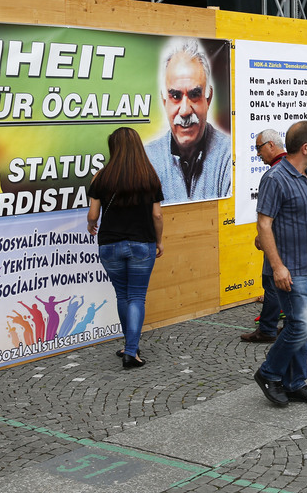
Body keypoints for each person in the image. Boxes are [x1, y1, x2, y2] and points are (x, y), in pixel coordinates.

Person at [253, 121, 307, 407]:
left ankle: (295, 383)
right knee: (300, 326)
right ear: (305, 147)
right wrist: (277, 267)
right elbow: (264, 223)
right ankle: (269, 372)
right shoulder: (275, 178)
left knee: (303, 327)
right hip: (290, 268)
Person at [87, 127, 165, 368]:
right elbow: (157, 215)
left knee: (122, 295)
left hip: (110, 245)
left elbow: (93, 214)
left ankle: (129, 345)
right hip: (142, 244)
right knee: (137, 297)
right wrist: (159, 241)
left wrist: (92, 225)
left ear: (114, 148)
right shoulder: (149, 176)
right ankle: (132, 350)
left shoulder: (101, 177)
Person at [145, 39, 232, 202]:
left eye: (194, 95)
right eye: (176, 96)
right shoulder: (146, 159)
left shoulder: (229, 155)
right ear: (165, 102)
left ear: (209, 98)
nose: (185, 111)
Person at [241, 129, 288, 343]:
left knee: (271, 281)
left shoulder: (273, 175)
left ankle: (268, 328)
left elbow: (267, 215)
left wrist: (262, 233)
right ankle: (289, 325)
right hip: (291, 240)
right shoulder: (295, 168)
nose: (258, 154)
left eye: (259, 148)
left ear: (271, 145)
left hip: (277, 239)